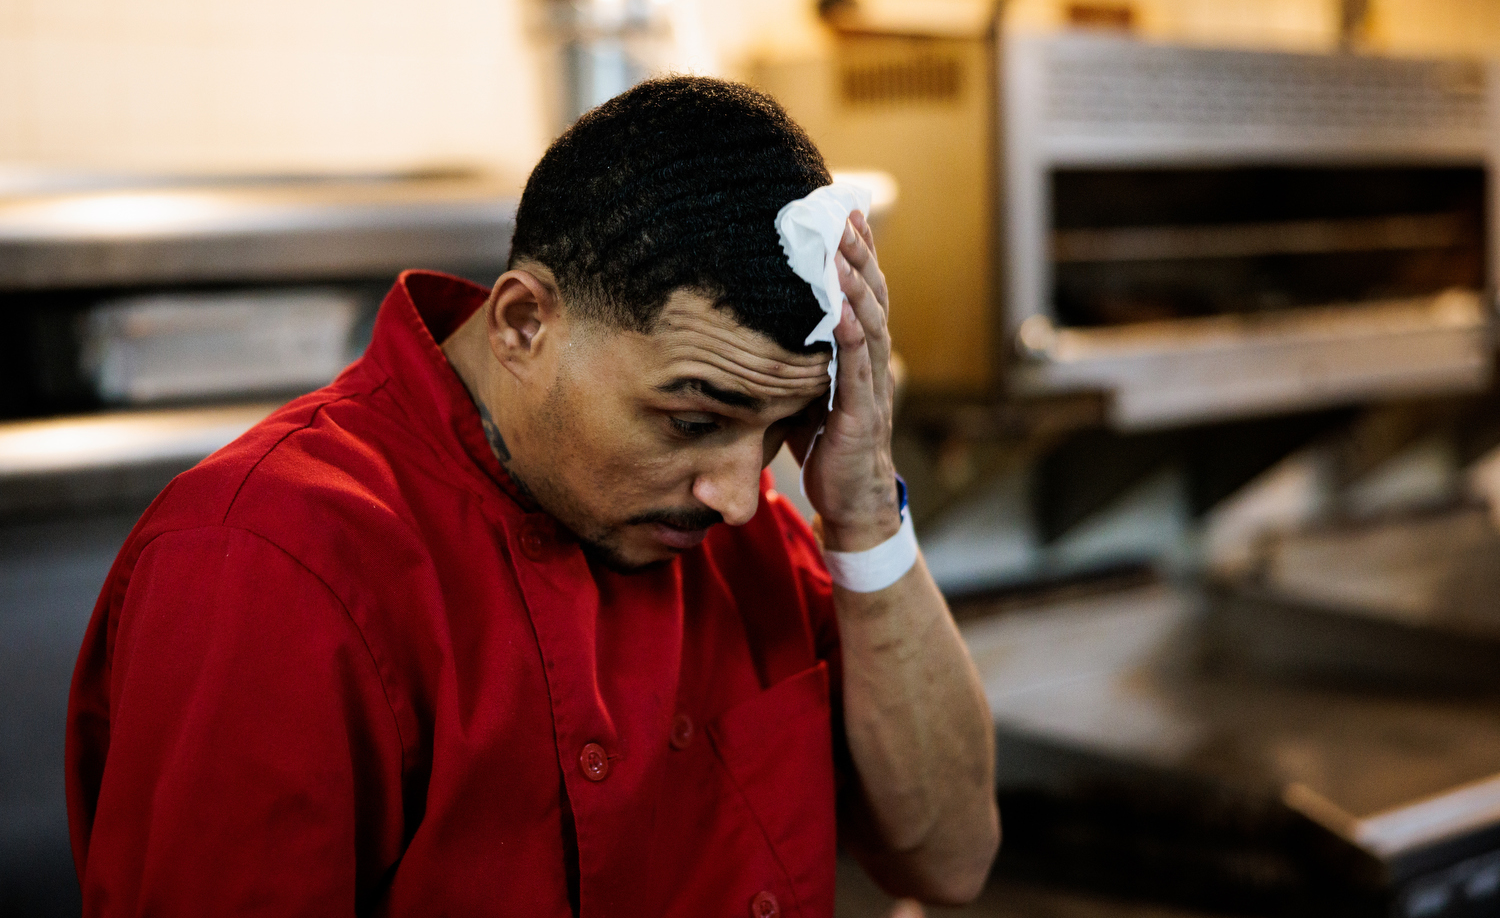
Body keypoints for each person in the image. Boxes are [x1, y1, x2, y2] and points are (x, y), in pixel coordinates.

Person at [65, 76, 999, 916]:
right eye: (690, 417)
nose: (741, 499)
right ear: (522, 322)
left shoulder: (736, 533)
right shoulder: (267, 564)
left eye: (776, 431)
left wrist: (867, 504)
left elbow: (951, 860)